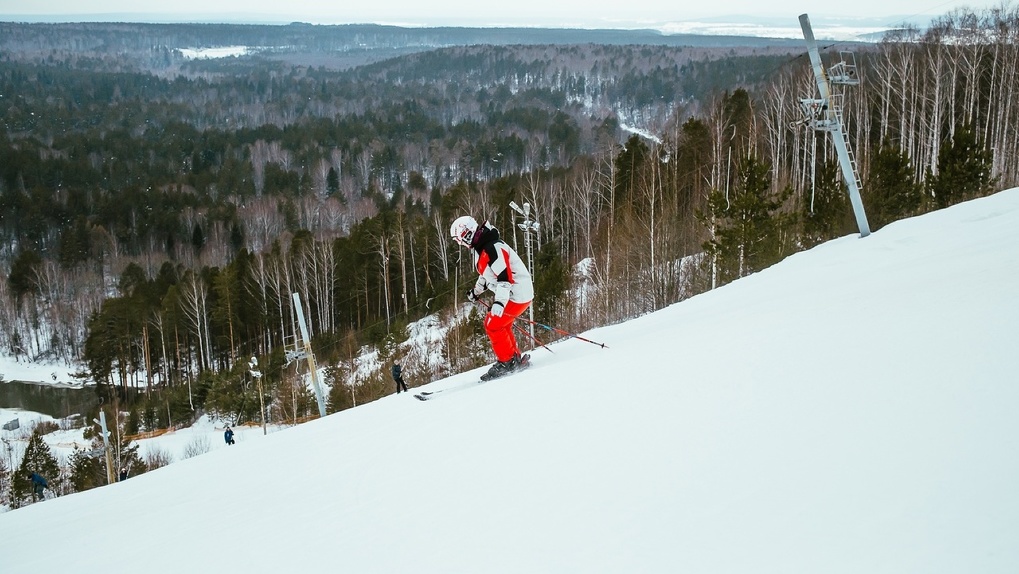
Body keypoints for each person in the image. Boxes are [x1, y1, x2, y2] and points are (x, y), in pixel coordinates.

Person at [450, 215, 534, 378]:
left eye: (459, 240)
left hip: (517, 294)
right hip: (515, 292)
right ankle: (513, 358)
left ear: (466, 234)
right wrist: (476, 291)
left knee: (493, 324)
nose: (460, 244)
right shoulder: (481, 247)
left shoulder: (491, 247)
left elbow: (504, 277)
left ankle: (507, 362)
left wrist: (499, 304)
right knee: (502, 324)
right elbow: (486, 274)